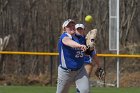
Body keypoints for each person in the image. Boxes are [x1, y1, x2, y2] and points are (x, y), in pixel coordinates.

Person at [56, 19, 90, 93]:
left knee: (85, 91)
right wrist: (79, 45)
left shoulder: (80, 37)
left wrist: (91, 43)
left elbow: (87, 51)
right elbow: (68, 42)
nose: (71, 27)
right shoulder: (64, 36)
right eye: (69, 26)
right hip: (65, 71)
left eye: (73, 25)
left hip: (80, 70)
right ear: (64, 29)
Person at [75, 24, 101, 93]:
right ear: (75, 30)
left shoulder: (87, 40)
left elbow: (94, 54)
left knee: (83, 82)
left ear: (84, 30)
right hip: (75, 63)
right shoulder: (72, 39)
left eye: (81, 29)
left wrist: (98, 65)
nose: (79, 30)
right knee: (82, 85)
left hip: (86, 62)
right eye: (78, 29)